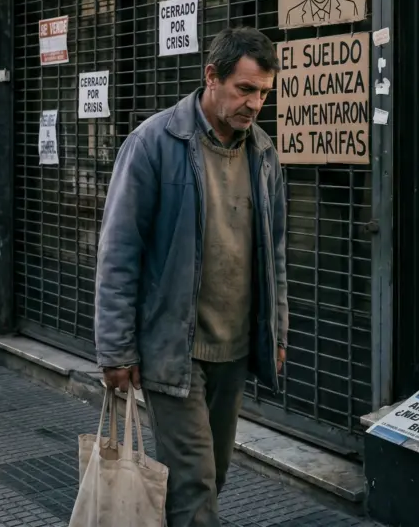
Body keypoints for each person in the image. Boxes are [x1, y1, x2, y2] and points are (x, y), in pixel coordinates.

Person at [94, 27, 288, 526]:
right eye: (245, 89)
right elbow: (119, 250)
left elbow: (274, 252)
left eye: (264, 93)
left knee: (211, 477)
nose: (255, 104)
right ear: (211, 77)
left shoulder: (263, 153)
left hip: (235, 349)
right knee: (194, 484)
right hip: (173, 350)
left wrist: (277, 330)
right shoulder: (154, 143)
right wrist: (116, 349)